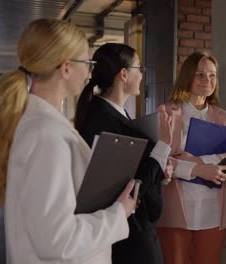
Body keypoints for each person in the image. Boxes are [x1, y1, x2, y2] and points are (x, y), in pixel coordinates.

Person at [0, 18, 136, 264]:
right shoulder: (46, 136)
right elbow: (57, 240)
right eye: (87, 62)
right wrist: (118, 213)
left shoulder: (40, 125)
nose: (90, 72)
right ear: (66, 68)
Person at [74, 43, 172, 264]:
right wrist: (163, 146)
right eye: (139, 68)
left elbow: (135, 173)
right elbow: (129, 188)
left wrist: (161, 171)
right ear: (124, 74)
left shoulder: (115, 115)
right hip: (130, 237)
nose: (142, 74)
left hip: (130, 230)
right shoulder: (103, 121)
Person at [156, 51, 226, 264]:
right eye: (200, 74)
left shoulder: (222, 116)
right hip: (175, 207)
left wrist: (201, 162)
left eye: (212, 75)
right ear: (187, 76)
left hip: (213, 208)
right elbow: (158, 160)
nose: (207, 80)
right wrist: (198, 170)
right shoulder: (167, 112)